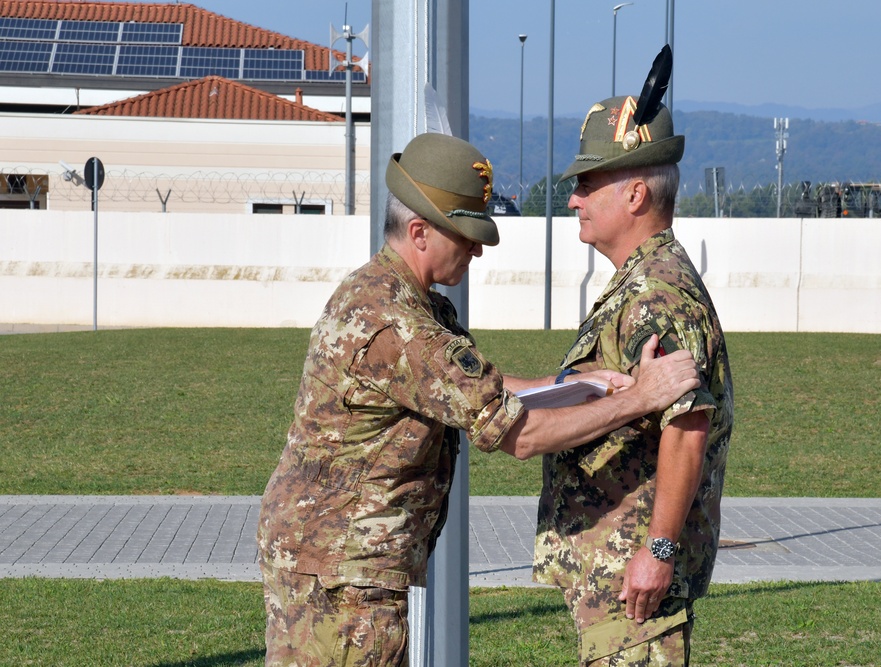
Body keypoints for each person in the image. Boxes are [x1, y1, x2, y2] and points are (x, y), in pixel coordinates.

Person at [256, 132, 702, 667]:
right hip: (338, 573)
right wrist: (640, 398)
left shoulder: (413, 303)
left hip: (339, 562)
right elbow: (520, 435)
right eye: (465, 235)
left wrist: (587, 384)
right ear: (419, 232)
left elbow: (481, 390)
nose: (478, 248)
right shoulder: (394, 324)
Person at [532, 85, 735, 665]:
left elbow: (687, 426)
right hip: (615, 572)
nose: (574, 200)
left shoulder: (656, 297)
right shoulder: (638, 286)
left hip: (633, 579)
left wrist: (658, 550)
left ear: (636, 194)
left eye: (586, 185)